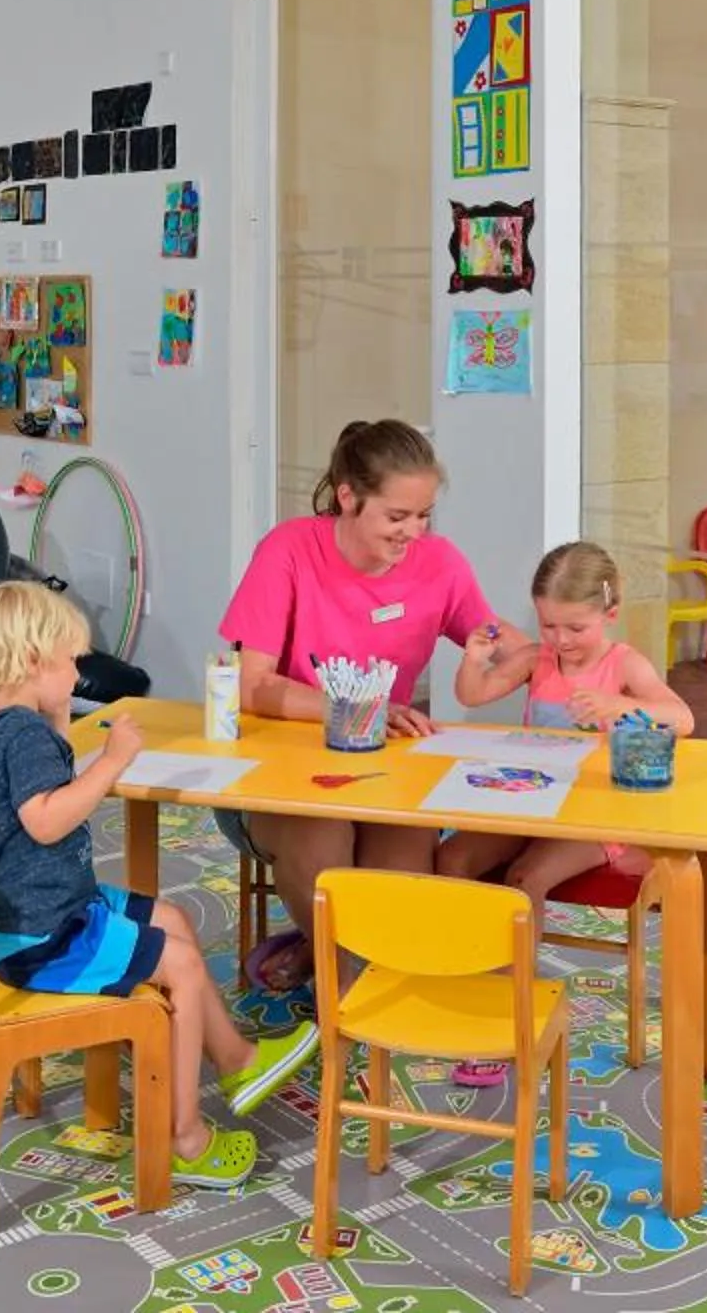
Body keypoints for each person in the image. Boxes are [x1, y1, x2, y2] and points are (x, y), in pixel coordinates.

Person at [0, 581, 316, 1187]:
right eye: (70, 660)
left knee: (171, 919)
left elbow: (38, 782)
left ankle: (236, 1060)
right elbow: (44, 820)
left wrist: (61, 717)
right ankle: (186, 1138)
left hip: (35, 914)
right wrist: (113, 761)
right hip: (45, 935)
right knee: (184, 965)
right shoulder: (23, 734)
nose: (77, 670)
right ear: (33, 660)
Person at [219, 419, 500, 990]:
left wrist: (569, 652)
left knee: (401, 875)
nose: (412, 533)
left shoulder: (440, 563)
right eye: (396, 517)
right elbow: (252, 685)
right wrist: (357, 708)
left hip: (381, 767)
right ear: (348, 497)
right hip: (279, 770)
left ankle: (339, 958)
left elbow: (497, 640)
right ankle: (344, 986)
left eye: (423, 515)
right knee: (322, 849)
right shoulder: (289, 550)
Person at [437, 541, 695, 899]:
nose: (561, 640)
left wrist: (617, 705)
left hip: (594, 815)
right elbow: (472, 695)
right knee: (451, 858)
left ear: (610, 615)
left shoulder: (623, 664)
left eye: (576, 628)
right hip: (530, 800)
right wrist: (473, 660)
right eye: (549, 625)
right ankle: (465, 953)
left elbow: (683, 718)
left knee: (525, 879)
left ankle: (517, 958)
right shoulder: (536, 659)